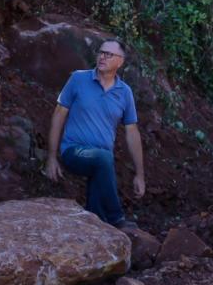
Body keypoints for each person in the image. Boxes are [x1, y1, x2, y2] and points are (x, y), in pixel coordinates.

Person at [44, 39, 145, 227]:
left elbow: (132, 133)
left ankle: (95, 224)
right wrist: (51, 157)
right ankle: (116, 217)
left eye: (109, 54)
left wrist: (139, 174)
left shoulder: (125, 93)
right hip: (74, 152)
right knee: (104, 159)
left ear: (120, 62)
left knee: (102, 166)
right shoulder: (78, 79)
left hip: (101, 161)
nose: (102, 57)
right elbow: (58, 116)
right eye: (101, 52)